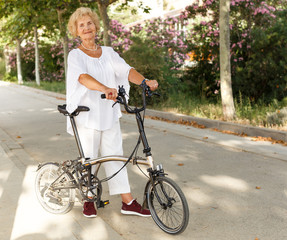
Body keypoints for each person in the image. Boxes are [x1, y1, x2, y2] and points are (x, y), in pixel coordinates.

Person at [66, 7, 159, 218]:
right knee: (89, 159)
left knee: (116, 157)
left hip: (108, 112)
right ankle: (89, 199)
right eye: (82, 25)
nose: (87, 28)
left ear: (96, 26)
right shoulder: (75, 55)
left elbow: (125, 70)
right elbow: (82, 78)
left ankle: (127, 202)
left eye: (89, 23)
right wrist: (105, 88)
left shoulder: (108, 52)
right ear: (76, 31)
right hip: (86, 114)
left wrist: (144, 81)